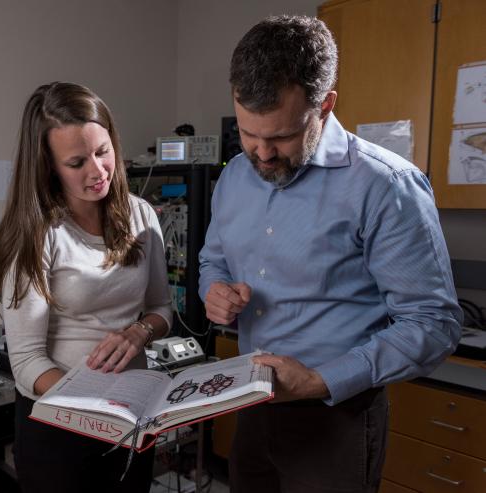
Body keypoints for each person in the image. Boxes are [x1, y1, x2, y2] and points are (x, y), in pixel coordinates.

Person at [198, 15, 462, 493]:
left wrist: (320, 380)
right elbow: (212, 260)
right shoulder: (235, 176)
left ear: (325, 105)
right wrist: (212, 290)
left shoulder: (386, 186)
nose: (260, 153)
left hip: (336, 419)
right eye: (247, 133)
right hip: (252, 406)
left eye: (280, 137)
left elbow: (433, 323)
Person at [0, 81, 172, 493]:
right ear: (49, 167)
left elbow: (162, 309)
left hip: (130, 417)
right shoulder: (38, 233)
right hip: (59, 428)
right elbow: (27, 361)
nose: (98, 171)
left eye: (103, 151)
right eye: (76, 162)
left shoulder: (141, 215)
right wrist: (97, 408)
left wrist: (139, 331)